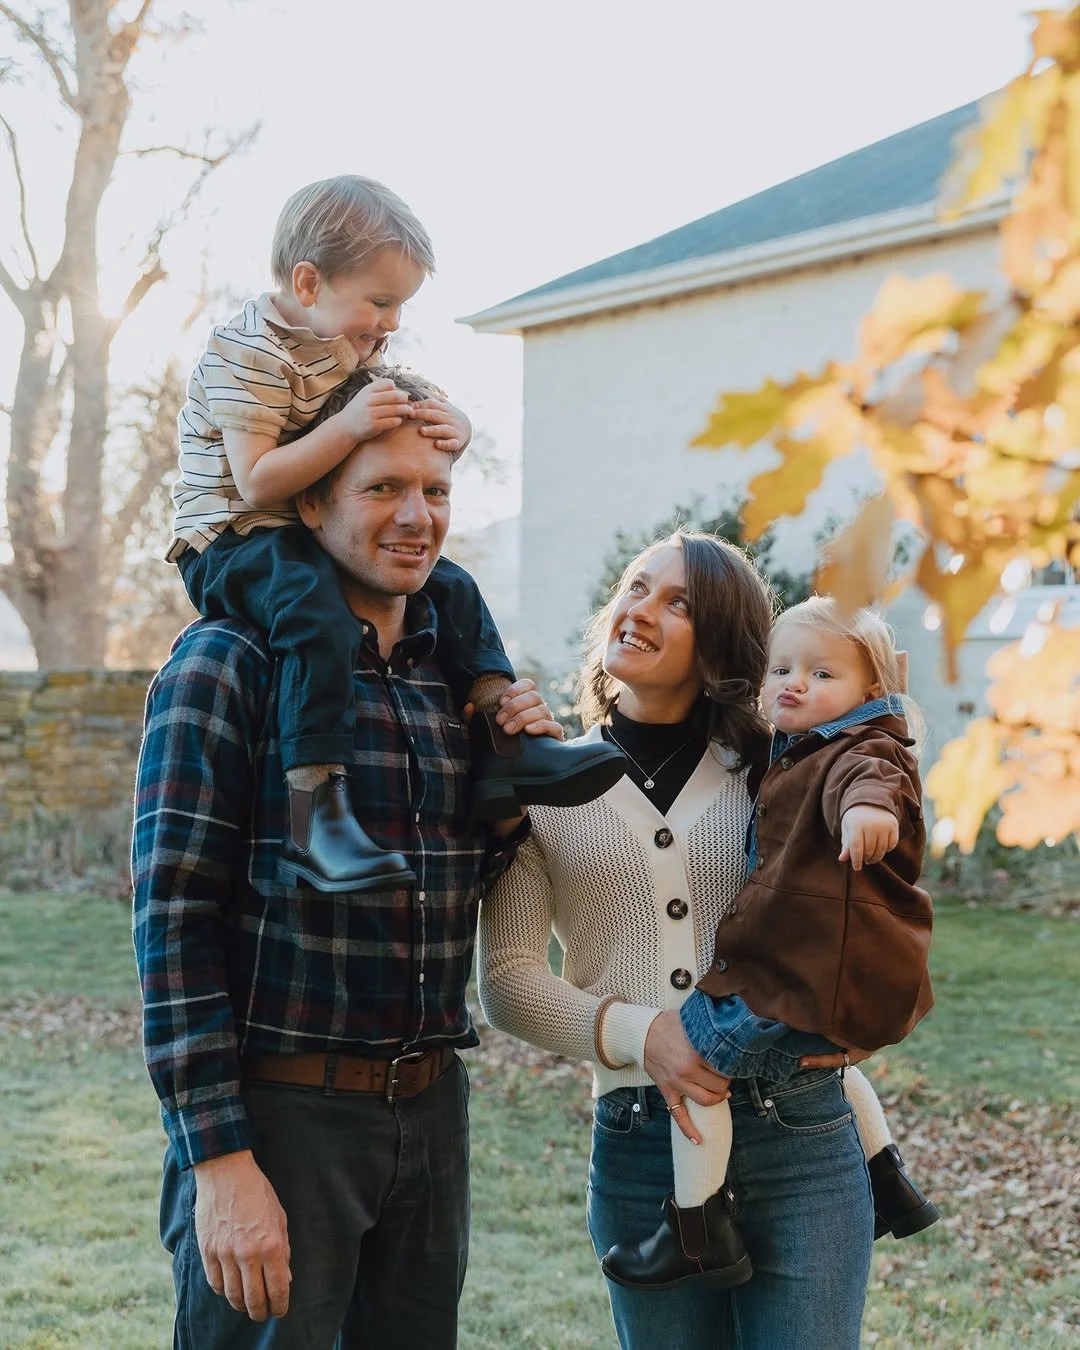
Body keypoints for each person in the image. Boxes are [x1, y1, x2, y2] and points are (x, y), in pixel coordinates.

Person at [134, 367, 567, 1349]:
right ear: (310, 499)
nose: (418, 517)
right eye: (383, 490)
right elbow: (172, 920)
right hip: (282, 1121)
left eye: (436, 492)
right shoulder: (226, 663)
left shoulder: (448, 678)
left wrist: (512, 776)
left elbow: (472, 876)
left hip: (429, 1113)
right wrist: (218, 1163)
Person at [479, 532, 934, 1350]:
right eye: (636, 587)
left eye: (678, 602)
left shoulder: (781, 763)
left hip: (800, 1130)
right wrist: (640, 1035)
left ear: (723, 639)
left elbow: (876, 848)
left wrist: (845, 1016)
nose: (642, 610)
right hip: (643, 1143)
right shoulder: (540, 780)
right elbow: (508, 981)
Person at [168, 173, 624, 894]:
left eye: (399, 307)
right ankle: (316, 810)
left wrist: (458, 424)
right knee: (313, 613)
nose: (388, 324)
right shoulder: (246, 354)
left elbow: (406, 394)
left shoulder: (340, 341)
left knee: (455, 584)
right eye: (380, 303)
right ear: (309, 281)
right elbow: (255, 483)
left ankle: (507, 739)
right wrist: (349, 427)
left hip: (294, 526)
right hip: (231, 537)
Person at [602, 595, 938, 1292]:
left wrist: (867, 814)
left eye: (822, 675)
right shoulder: (801, 747)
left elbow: (871, 778)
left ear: (871, 693)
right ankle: (888, 1178)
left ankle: (696, 1229)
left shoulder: (855, 750)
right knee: (822, 1064)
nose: (794, 684)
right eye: (782, 668)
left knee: (695, 1059)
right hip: (807, 966)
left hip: (799, 963)